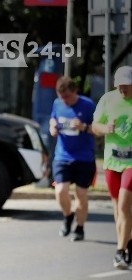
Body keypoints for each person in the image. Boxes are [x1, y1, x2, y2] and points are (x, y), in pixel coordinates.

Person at [92, 65, 132, 269]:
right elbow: (94, 126)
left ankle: (119, 252)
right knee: (118, 207)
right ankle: (127, 244)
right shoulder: (108, 99)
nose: (123, 90)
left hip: (131, 164)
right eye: (120, 87)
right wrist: (105, 128)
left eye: (127, 86)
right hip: (112, 161)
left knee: (124, 203)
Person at [48, 76, 96, 242]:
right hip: (63, 155)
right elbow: (53, 118)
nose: (65, 101)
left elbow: (98, 129)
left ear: (75, 91)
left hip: (84, 157)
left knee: (81, 194)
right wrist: (52, 126)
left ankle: (80, 228)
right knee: (60, 191)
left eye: (67, 97)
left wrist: (83, 127)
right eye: (62, 97)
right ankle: (68, 216)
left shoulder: (88, 105)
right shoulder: (57, 103)